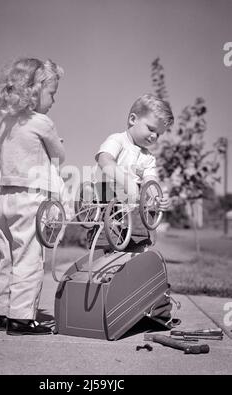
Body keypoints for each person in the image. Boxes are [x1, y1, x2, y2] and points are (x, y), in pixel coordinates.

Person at [0, 57, 65, 335]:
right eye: (52, 93)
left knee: (7, 257)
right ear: (34, 90)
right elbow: (59, 155)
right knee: (29, 257)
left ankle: (4, 312)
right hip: (30, 199)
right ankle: (22, 318)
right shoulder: (42, 122)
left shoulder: (4, 123)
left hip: (5, 199)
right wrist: (57, 146)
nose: (54, 100)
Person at [94, 93, 177, 328]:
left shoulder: (148, 158)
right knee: (105, 259)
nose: (154, 136)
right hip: (108, 210)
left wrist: (157, 199)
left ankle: (151, 312)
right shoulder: (117, 141)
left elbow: (151, 185)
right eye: (151, 128)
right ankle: (102, 311)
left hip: (133, 215)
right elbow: (104, 160)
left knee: (139, 258)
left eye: (158, 134)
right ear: (133, 119)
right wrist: (126, 181)